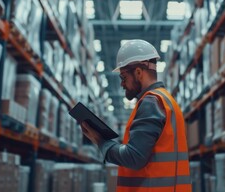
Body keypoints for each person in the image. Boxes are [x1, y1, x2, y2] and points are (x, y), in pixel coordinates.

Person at [81, 39, 191, 192]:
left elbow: (134, 157)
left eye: (123, 77)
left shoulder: (151, 102)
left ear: (138, 72)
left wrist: (101, 141)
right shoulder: (166, 100)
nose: (121, 84)